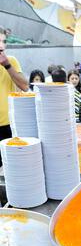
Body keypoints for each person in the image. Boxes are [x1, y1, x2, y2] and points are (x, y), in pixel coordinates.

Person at [0, 26, 28, 165]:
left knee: (10, 165)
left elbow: (24, 86)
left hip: (8, 125)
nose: (1, 45)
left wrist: (7, 65)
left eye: (3, 41)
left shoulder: (11, 61)